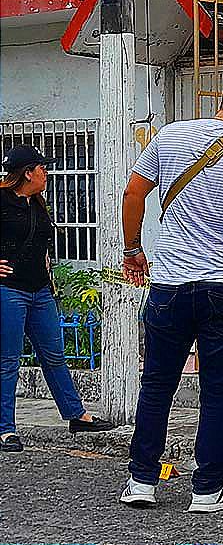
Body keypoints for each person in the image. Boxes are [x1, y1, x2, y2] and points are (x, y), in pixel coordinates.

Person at [118, 73, 223, 512]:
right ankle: (207, 488)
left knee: (157, 384)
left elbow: (133, 193)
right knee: (218, 390)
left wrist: (133, 250)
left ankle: (141, 481)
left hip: (169, 284)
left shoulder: (170, 135)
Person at [1, 145, 115, 452]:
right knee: (8, 361)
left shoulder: (38, 203)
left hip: (40, 291)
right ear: (28, 173)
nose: (47, 173)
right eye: (42, 168)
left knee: (54, 356)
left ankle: (76, 415)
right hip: (9, 290)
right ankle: (5, 430)